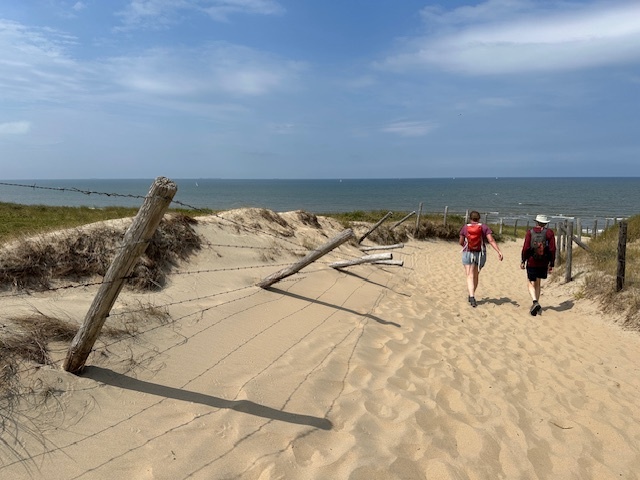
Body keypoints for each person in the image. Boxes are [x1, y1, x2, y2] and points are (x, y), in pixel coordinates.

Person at [459, 210, 503, 307]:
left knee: (469, 275)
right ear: (479, 218)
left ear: (470, 218)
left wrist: (465, 247)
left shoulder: (465, 227)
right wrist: (498, 251)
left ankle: (471, 296)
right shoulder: (484, 227)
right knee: (475, 275)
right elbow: (491, 240)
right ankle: (472, 295)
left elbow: (461, 242)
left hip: (467, 253)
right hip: (480, 254)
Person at [520, 214, 556, 316]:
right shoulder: (549, 233)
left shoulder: (530, 232)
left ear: (536, 222)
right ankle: (536, 304)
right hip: (543, 262)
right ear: (545, 223)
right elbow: (552, 249)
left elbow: (526, 248)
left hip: (532, 261)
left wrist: (523, 260)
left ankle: (535, 301)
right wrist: (551, 263)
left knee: (530, 281)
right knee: (538, 283)